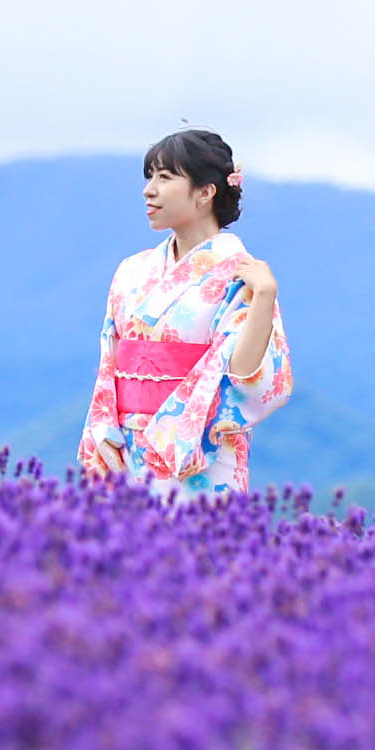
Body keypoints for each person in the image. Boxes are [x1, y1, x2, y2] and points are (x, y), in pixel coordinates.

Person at [73, 128, 290, 496]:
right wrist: (104, 426)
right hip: (127, 448)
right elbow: (109, 361)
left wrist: (265, 295)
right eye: (149, 177)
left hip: (199, 450)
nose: (149, 190)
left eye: (165, 177)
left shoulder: (241, 273)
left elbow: (242, 376)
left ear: (205, 192)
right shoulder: (131, 271)